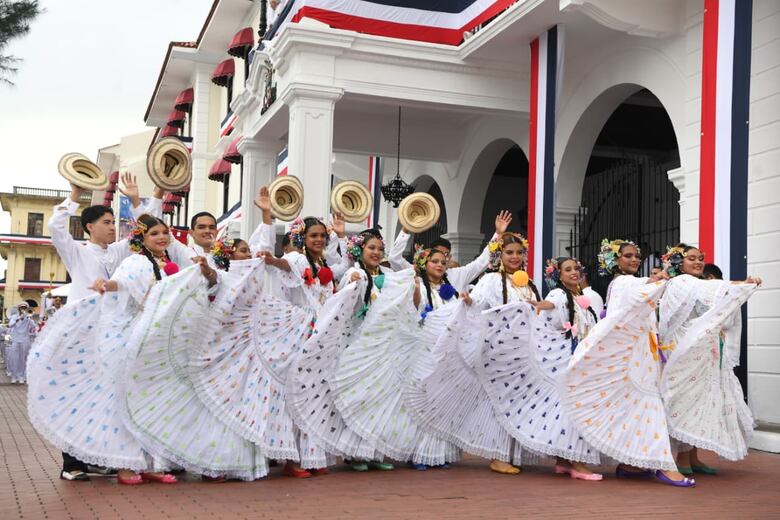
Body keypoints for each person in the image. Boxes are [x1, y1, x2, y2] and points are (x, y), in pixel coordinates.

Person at [28, 215, 213, 485]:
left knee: (149, 404)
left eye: (164, 233)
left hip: (154, 342)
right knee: (126, 404)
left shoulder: (166, 265)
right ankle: (125, 466)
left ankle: (151, 464)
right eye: (154, 234)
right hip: (131, 339)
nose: (161, 237)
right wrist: (107, 285)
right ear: (142, 238)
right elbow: (123, 282)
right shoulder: (136, 261)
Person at [562, 238, 694, 487]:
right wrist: (664, 277)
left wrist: (661, 278)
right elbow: (646, 290)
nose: (634, 260)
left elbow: (647, 290)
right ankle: (664, 465)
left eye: (636, 256)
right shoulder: (624, 282)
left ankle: (631, 464)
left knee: (637, 406)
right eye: (628, 256)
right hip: (635, 356)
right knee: (650, 405)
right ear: (616, 261)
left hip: (639, 353)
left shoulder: (623, 283)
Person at [407, 231, 540, 475]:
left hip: (522, 353)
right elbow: (476, 303)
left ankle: (511, 454)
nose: (514, 257)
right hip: (497, 352)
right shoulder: (491, 280)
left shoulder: (528, 283)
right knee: (498, 403)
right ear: (500, 255)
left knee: (516, 402)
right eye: (509, 252)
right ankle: (498, 455)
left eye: (519, 253)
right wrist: (468, 302)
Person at [46, 174, 151, 481]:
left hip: (112, 335)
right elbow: (55, 228)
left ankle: (96, 456)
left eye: (112, 222)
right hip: (81, 334)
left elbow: (144, 231)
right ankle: (72, 463)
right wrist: (75, 194)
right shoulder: (76, 252)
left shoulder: (117, 252)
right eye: (106, 222)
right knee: (76, 395)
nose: (111, 226)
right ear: (90, 226)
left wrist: (134, 200)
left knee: (104, 395)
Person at [287, 229, 399, 472]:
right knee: (357, 395)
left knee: (376, 396)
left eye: (380, 249)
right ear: (360, 250)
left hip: (379, 344)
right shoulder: (353, 273)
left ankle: (375, 451)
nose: (376, 253)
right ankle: (356, 453)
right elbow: (342, 305)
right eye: (371, 248)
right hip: (355, 342)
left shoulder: (388, 275)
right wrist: (353, 285)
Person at [483, 257, 602, 480]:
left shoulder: (581, 297)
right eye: (568, 270)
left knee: (565, 408)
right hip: (562, 360)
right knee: (569, 408)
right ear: (559, 275)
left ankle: (563, 461)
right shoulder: (558, 294)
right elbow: (551, 304)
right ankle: (575, 462)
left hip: (577, 359)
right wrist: (538, 305)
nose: (574, 272)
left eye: (577, 268)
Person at [659, 246, 760, 474]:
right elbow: (712, 288)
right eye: (691, 258)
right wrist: (741, 284)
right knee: (686, 401)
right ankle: (682, 458)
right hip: (683, 351)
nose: (698, 262)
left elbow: (714, 301)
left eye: (701, 258)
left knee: (699, 401)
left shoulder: (696, 283)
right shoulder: (680, 282)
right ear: (678, 262)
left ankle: (693, 456)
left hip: (701, 352)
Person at [6, 302, 36, 384]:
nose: (23, 309)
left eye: (24, 307)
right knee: (14, 358)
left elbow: (33, 326)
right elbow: (10, 325)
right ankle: (14, 376)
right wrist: (18, 319)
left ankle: (22, 376)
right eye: (21, 307)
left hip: (25, 340)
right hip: (15, 339)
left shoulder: (28, 318)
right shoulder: (14, 317)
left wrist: (28, 317)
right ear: (19, 308)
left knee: (23, 359)